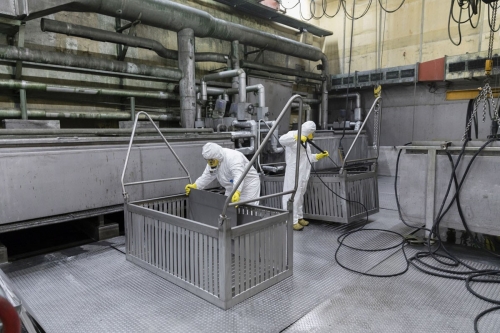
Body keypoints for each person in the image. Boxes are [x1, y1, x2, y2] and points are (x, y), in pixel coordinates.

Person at [279, 121, 329, 231]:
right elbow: (281, 139)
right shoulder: (293, 135)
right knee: (293, 196)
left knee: (300, 195)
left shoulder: (306, 141)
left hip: (303, 173)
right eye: (312, 132)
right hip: (294, 172)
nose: (313, 135)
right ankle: (291, 221)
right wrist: (297, 137)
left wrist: (319, 156)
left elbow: (307, 157)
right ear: (308, 131)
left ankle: (299, 217)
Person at [185, 142, 260, 205]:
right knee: (229, 210)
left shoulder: (233, 157)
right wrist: (196, 185)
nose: (210, 162)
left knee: (248, 211)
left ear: (217, 156)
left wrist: (237, 191)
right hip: (231, 187)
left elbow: (238, 176)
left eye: (211, 160)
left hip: (248, 185)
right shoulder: (213, 159)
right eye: (207, 160)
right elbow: (207, 175)